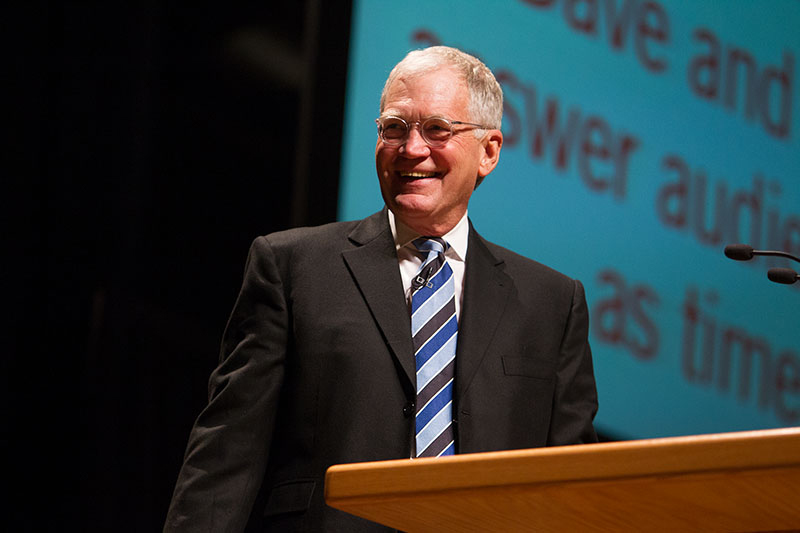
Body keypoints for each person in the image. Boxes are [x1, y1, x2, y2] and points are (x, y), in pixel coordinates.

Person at [164, 45, 598, 532]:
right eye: (394, 128)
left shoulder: (552, 305)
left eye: (437, 129)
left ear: (489, 151)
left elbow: (572, 492)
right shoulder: (293, 267)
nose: (411, 149)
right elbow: (227, 455)